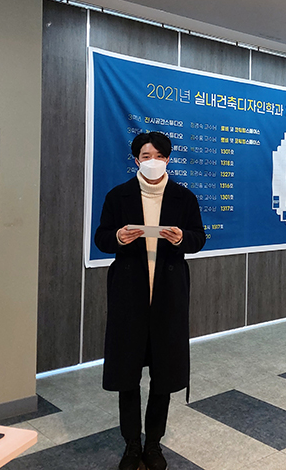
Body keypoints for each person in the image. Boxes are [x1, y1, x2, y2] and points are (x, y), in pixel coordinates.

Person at [95, 131, 206, 470]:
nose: (153, 161)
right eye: (146, 156)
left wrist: (182, 238)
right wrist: (118, 237)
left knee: (164, 373)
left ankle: (154, 443)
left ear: (168, 159)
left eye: (159, 155)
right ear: (136, 160)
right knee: (127, 373)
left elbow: (198, 239)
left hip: (168, 296)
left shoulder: (183, 197)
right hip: (129, 296)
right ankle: (131, 444)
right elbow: (101, 238)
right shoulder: (119, 195)